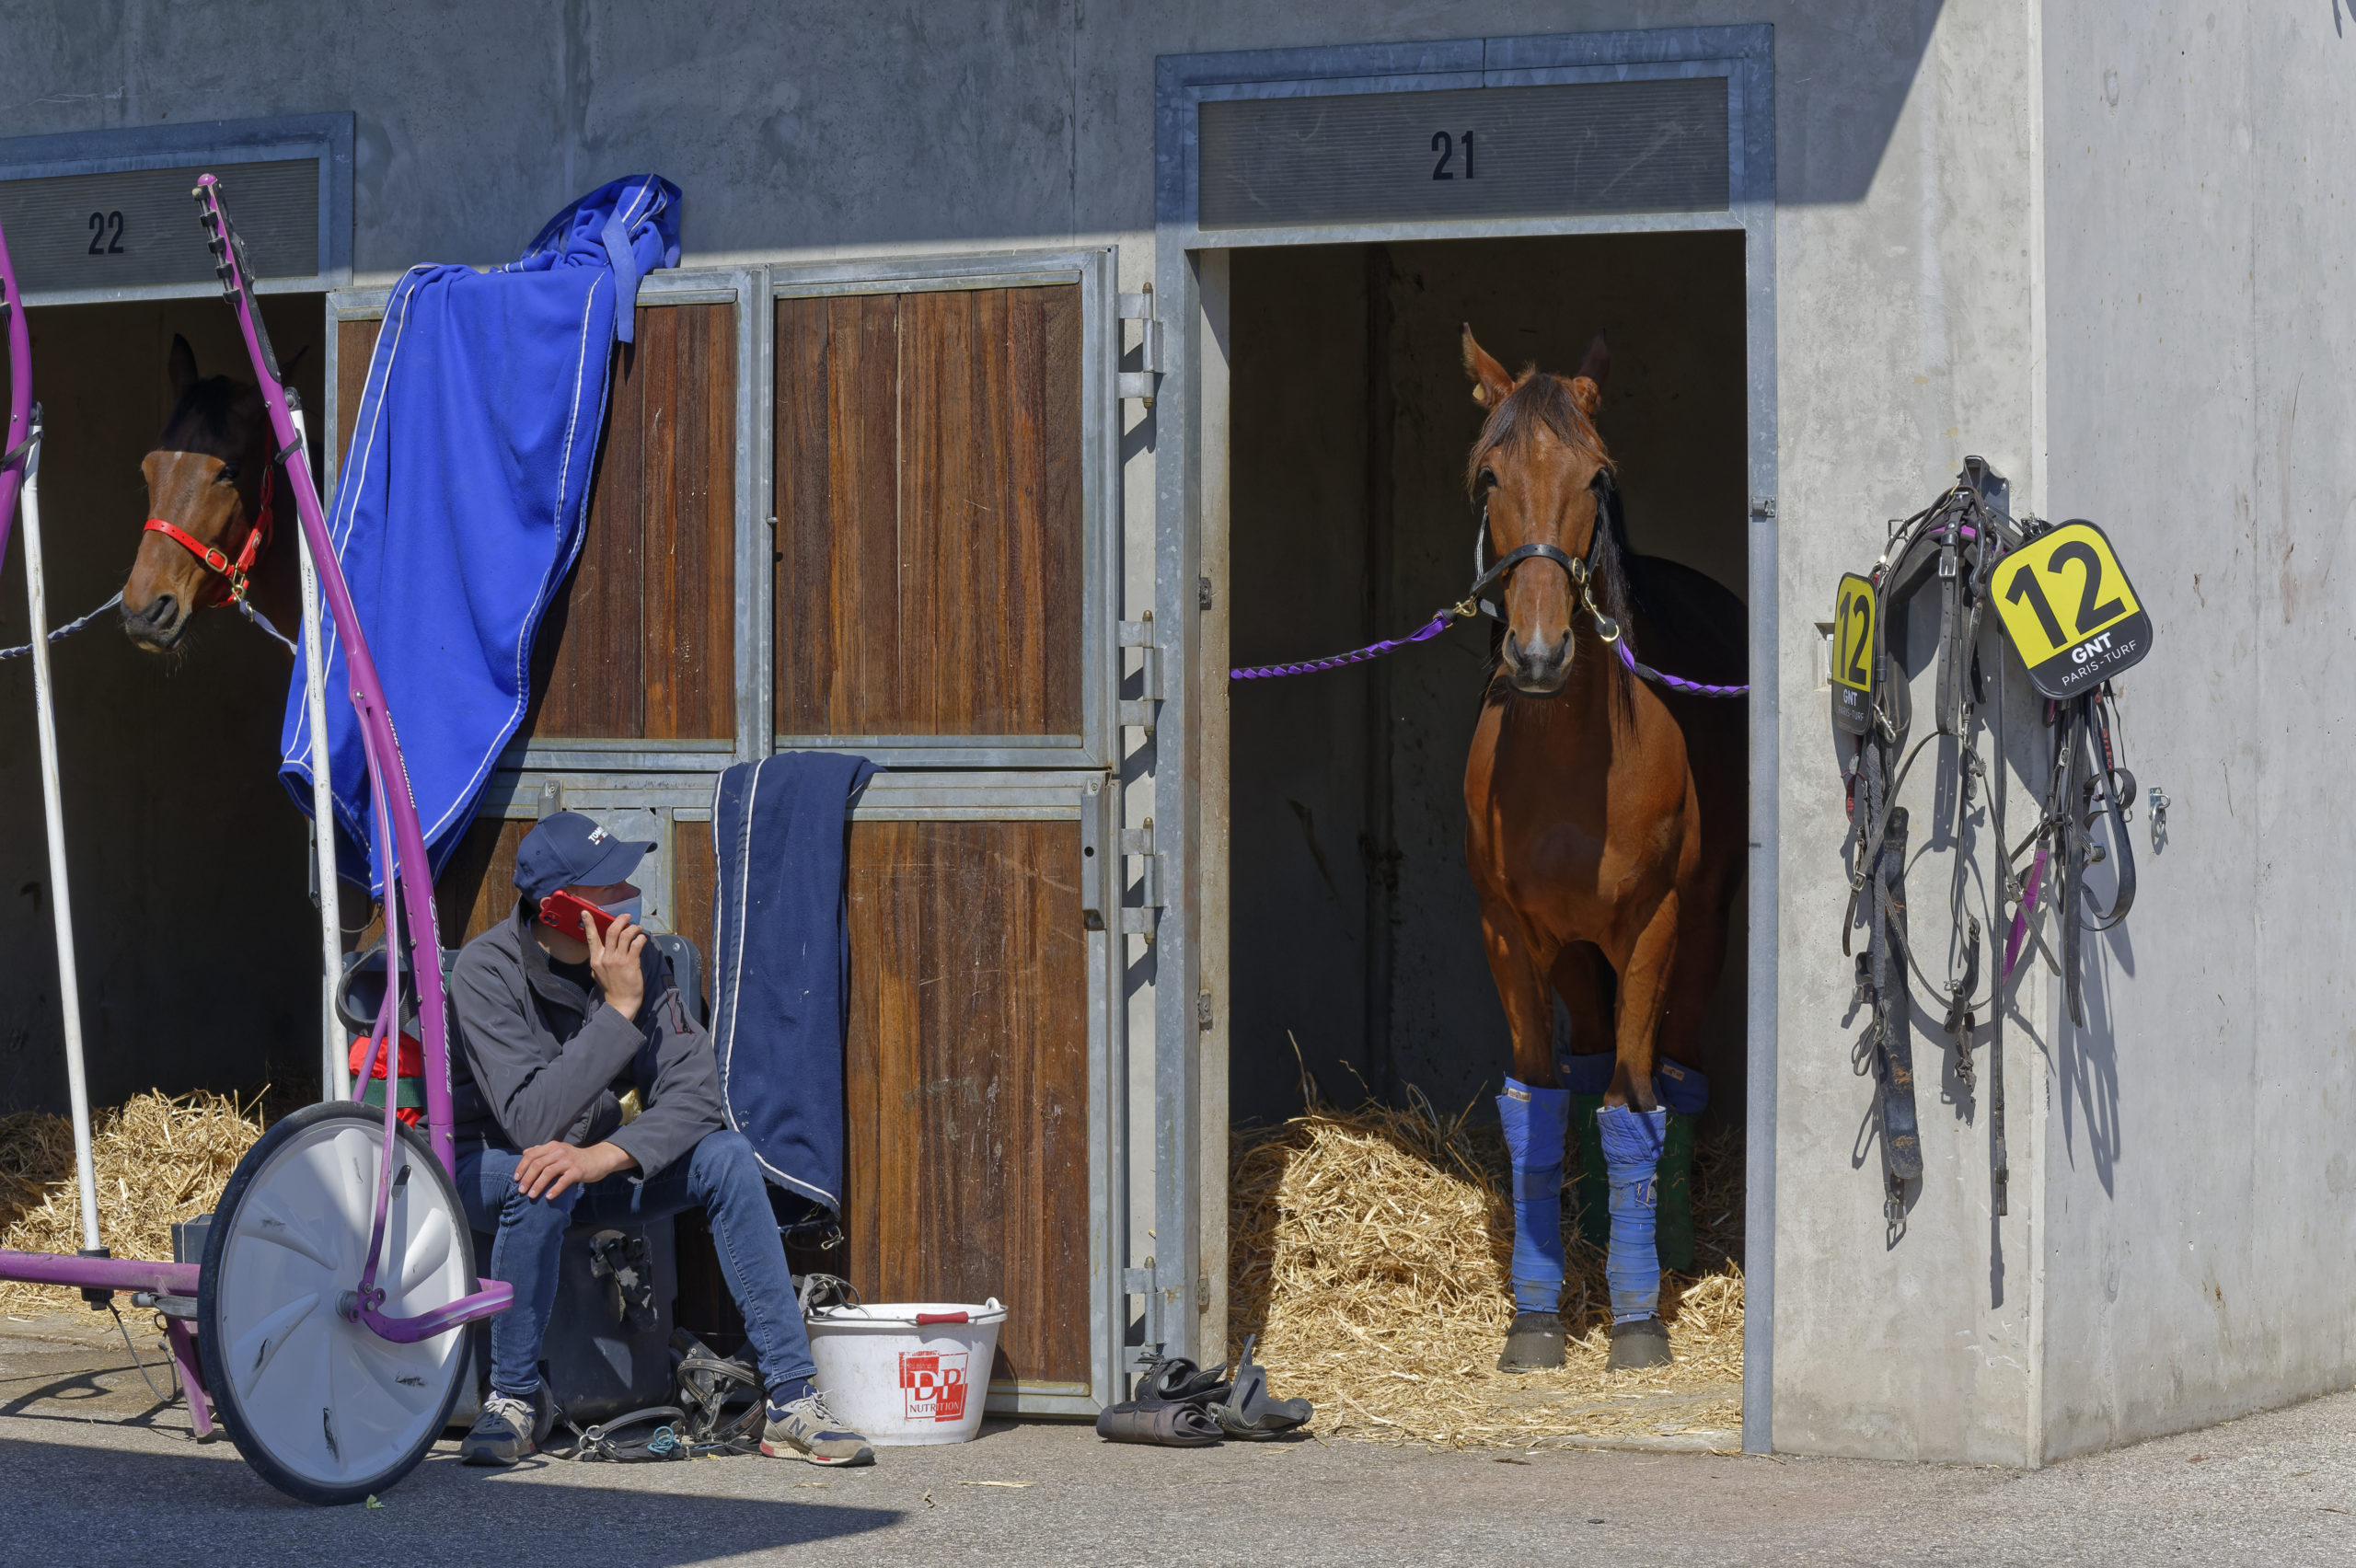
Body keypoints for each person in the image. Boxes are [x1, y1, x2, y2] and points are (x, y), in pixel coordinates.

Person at [445, 810, 872, 1467]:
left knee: (726, 1158)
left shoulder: (644, 962)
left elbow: (698, 1097)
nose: (628, 896)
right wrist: (617, 1012)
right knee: (541, 1174)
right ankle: (515, 1400)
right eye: (608, 885)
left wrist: (604, 1157)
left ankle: (791, 1399)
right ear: (559, 909)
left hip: (594, 1168)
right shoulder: (485, 970)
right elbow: (531, 1121)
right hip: (495, 1170)